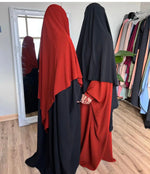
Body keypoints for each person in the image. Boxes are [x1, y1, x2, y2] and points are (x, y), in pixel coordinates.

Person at [25, 4, 83, 174]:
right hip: (65, 91)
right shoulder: (65, 41)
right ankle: (64, 161)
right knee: (65, 127)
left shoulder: (46, 42)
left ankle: (50, 154)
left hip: (49, 93)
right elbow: (72, 72)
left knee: (53, 125)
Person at [76, 3, 118, 170]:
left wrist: (91, 93)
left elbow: (105, 72)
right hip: (86, 89)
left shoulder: (104, 40)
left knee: (96, 125)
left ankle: (92, 155)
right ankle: (85, 151)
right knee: (84, 125)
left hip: (97, 91)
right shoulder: (86, 37)